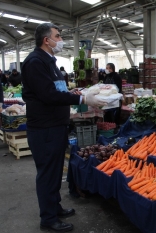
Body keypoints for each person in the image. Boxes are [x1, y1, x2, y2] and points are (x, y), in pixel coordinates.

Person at [21, 23, 106, 232]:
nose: (60, 40)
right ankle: (48, 218)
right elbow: (48, 95)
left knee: (56, 170)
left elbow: (56, 89)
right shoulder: (35, 62)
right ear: (46, 40)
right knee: (48, 173)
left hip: (55, 125)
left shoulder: (49, 62)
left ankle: (55, 207)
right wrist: (83, 98)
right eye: (57, 36)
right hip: (45, 128)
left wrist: (74, 91)